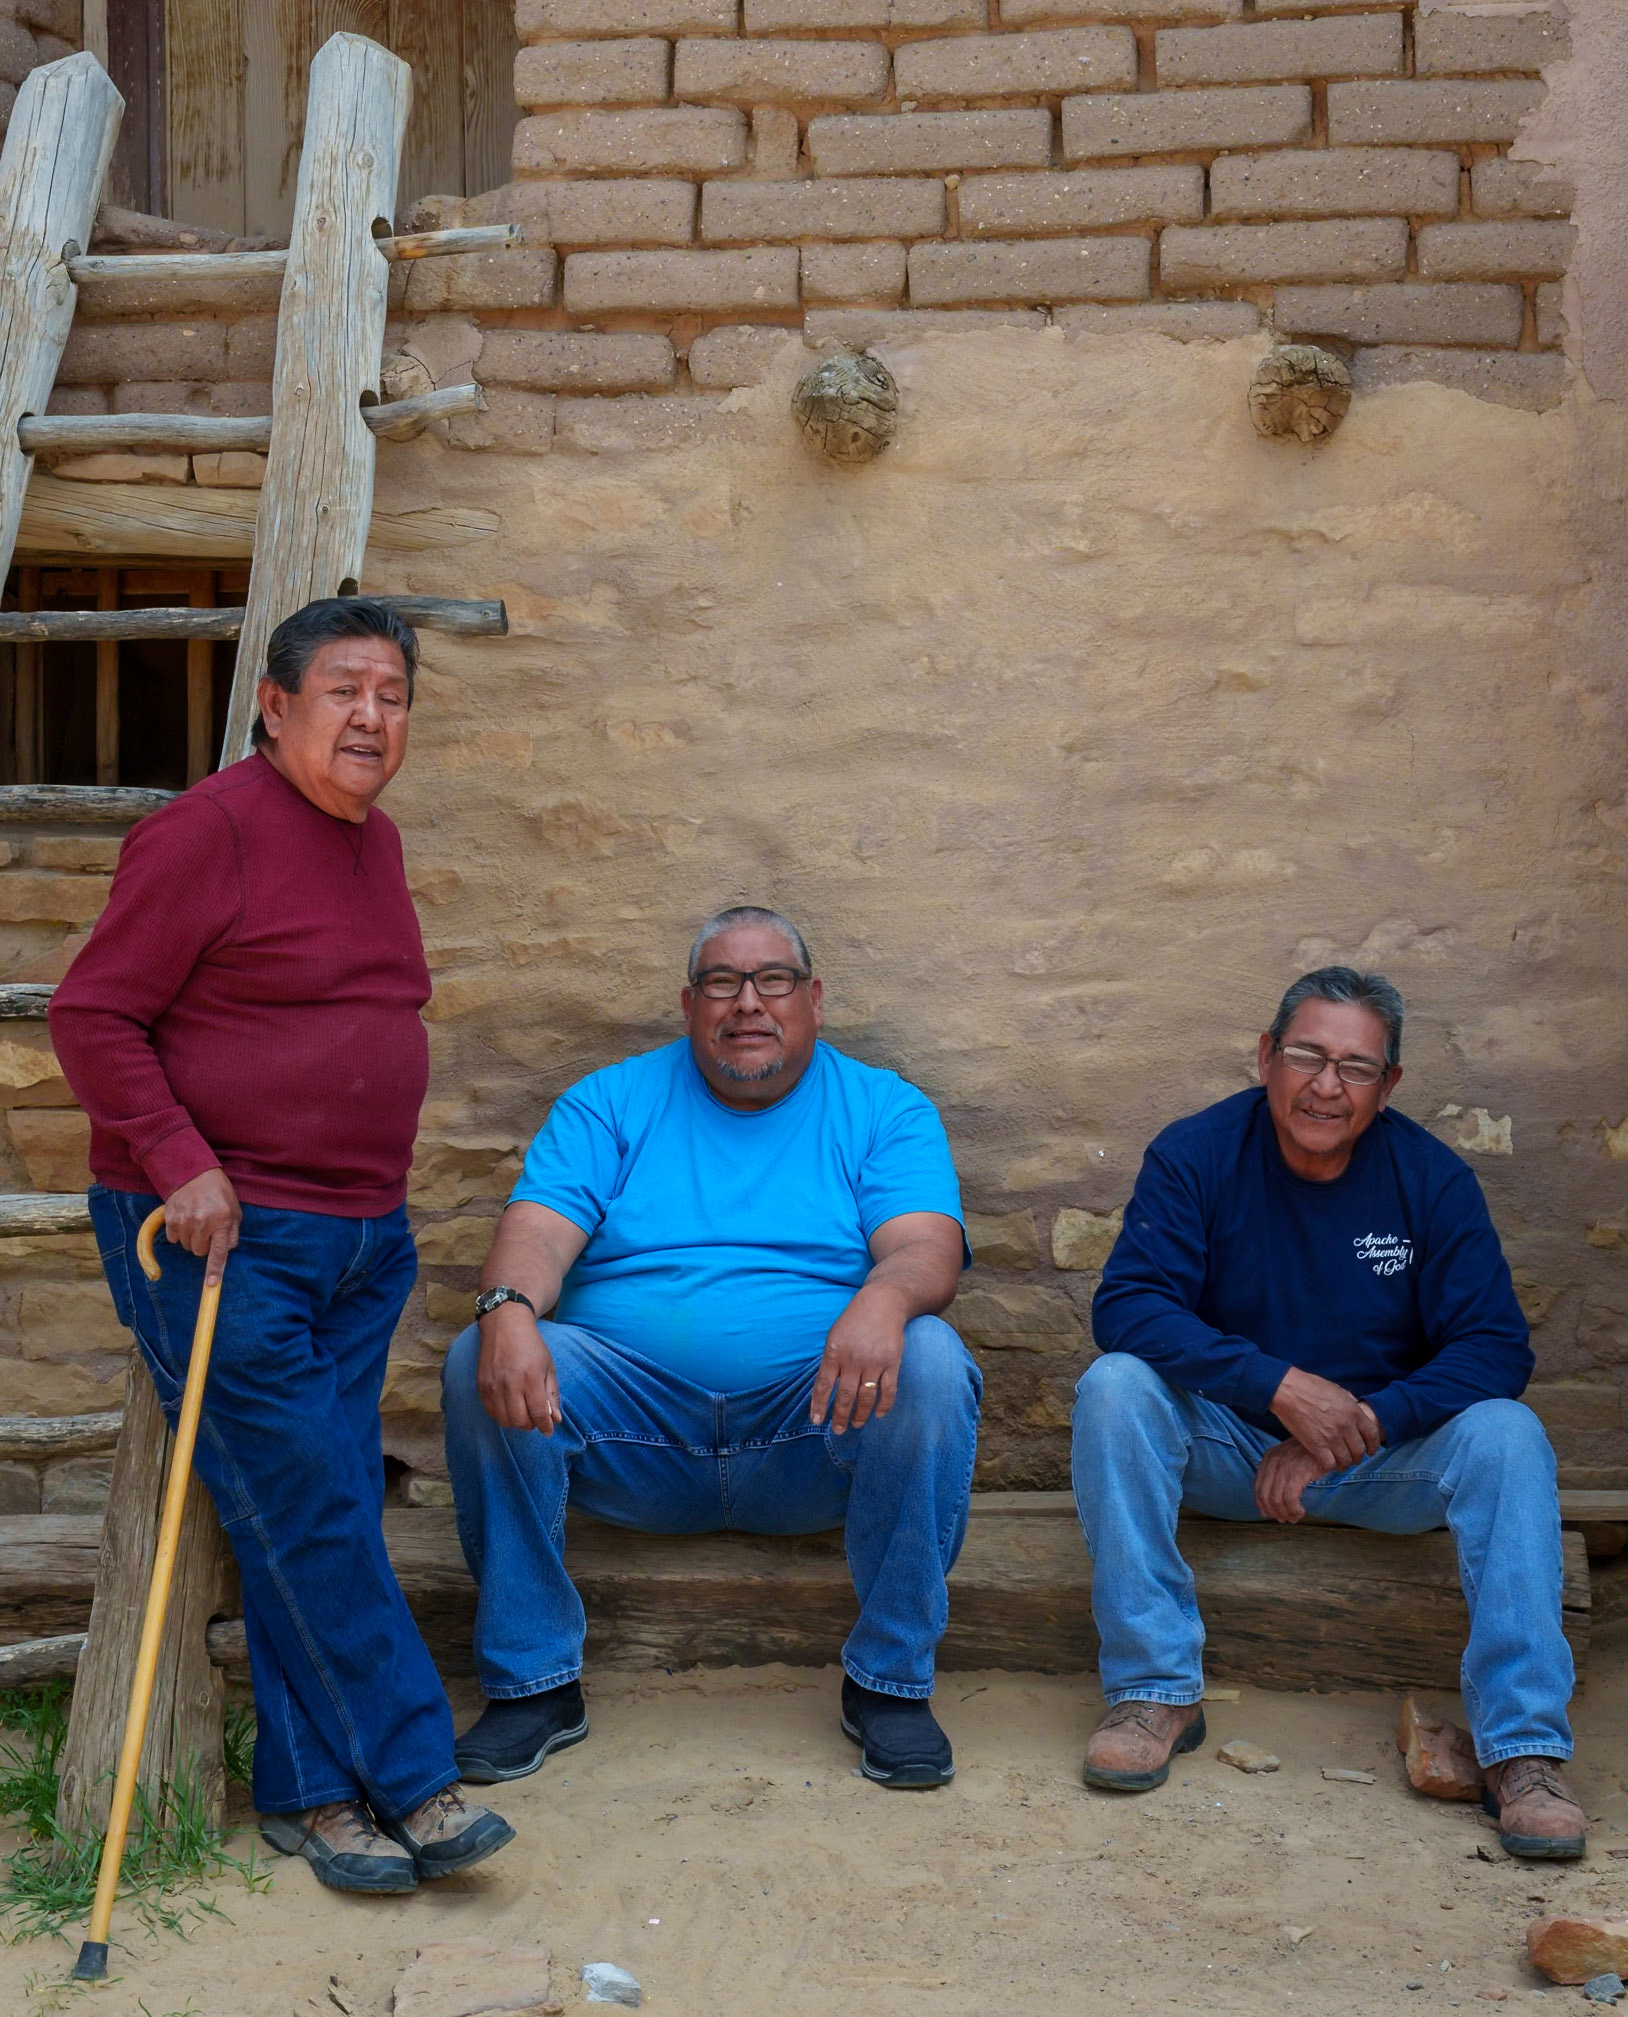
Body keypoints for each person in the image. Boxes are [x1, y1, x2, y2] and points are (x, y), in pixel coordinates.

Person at [50, 598, 513, 1896]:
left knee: (311, 1509)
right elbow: (93, 1016)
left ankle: (314, 1795)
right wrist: (181, 1158)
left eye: (395, 695)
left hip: (358, 1240)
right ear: (276, 702)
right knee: (314, 1503)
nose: (373, 716)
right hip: (221, 1236)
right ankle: (416, 1779)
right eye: (345, 690)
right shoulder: (206, 832)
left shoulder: (373, 844)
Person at [441, 905, 981, 1790]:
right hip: (633, 1437)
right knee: (480, 1356)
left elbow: (927, 1246)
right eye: (723, 983)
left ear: (813, 999)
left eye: (772, 980)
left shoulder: (883, 1107)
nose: (748, 1003)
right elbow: (536, 1231)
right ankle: (534, 1685)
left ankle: (889, 1684)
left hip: (813, 1430)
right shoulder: (611, 1101)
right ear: (690, 1003)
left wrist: (884, 1296)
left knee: (929, 1355)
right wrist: (504, 1310)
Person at [1072, 966, 1583, 1861]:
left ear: (1387, 1087)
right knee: (1113, 1385)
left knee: (1510, 1432)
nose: (1325, 1084)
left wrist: (1363, 1424)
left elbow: (1497, 1347)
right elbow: (1130, 1304)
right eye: (1307, 1054)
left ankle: (1524, 1749)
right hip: (1227, 1446)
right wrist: (1276, 1386)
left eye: (1355, 1067)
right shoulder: (1196, 1154)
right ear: (1267, 1055)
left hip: (1387, 1462)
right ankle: (1156, 1689)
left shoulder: (1431, 1179)